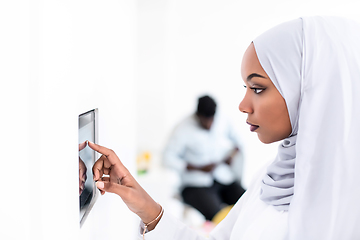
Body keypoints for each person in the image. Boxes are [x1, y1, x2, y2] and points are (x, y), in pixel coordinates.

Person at [88, 16, 360, 240]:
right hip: (196, 186)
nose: (243, 105)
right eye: (246, 88)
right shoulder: (270, 179)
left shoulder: (349, 205)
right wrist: (148, 208)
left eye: (257, 88)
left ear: (312, 91)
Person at [162, 95, 246, 222]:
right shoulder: (182, 128)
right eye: (205, 120)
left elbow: (239, 143)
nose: (209, 124)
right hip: (195, 185)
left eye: (211, 120)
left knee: (247, 200)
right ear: (197, 115)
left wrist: (230, 156)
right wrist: (197, 168)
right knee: (218, 216)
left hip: (221, 178)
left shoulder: (223, 121)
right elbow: (167, 159)